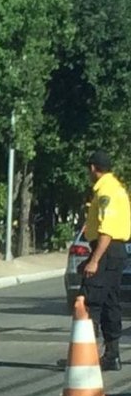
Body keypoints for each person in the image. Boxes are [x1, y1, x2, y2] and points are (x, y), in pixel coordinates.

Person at [80, 150, 129, 371]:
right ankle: (112, 355)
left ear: (93, 168)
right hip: (115, 252)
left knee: (90, 300)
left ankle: (84, 356)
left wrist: (94, 260)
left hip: (106, 250)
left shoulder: (106, 192)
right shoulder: (116, 188)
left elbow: (107, 230)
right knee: (110, 302)